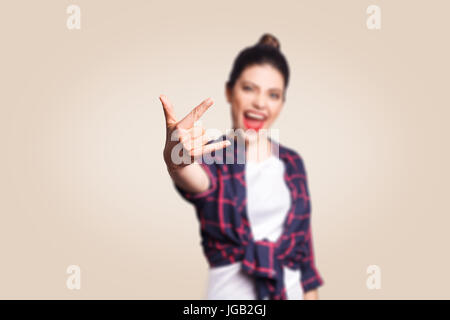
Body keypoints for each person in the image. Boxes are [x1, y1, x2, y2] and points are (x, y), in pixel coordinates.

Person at [159, 33, 324, 300]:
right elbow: (193, 178)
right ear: (229, 91)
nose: (260, 102)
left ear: (281, 103)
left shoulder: (293, 164)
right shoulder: (214, 156)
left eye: (273, 94)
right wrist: (176, 157)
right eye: (249, 88)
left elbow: (305, 263)